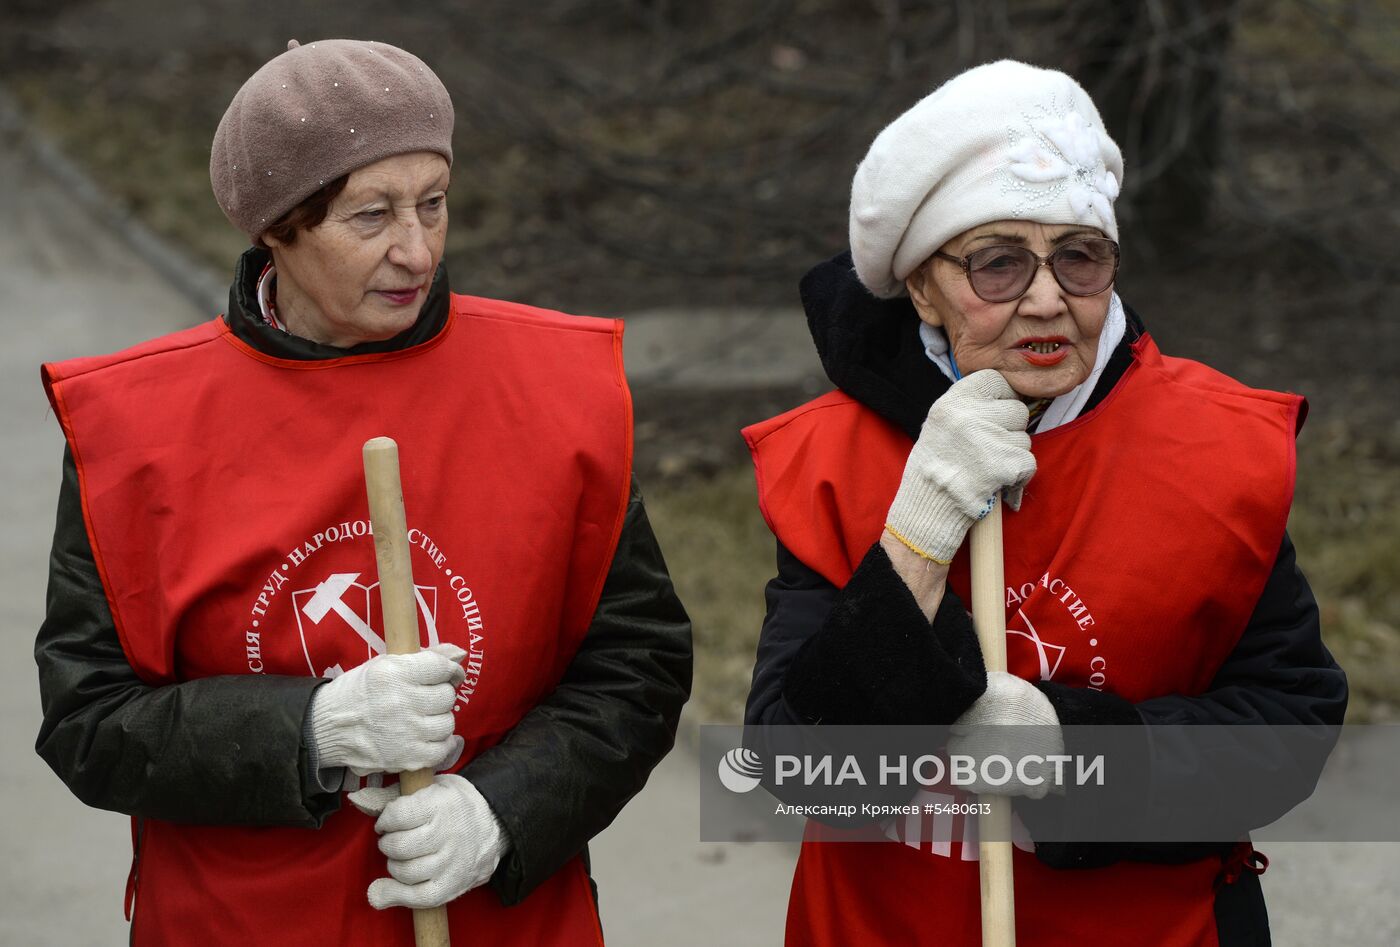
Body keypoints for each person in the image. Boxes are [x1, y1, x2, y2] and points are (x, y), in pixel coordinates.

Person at [35, 39, 691, 945]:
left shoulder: (560, 388)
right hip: (236, 923)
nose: (415, 249)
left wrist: (502, 812)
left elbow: (638, 666)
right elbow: (90, 724)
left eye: (433, 203)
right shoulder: (135, 426)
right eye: (371, 215)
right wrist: (312, 728)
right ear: (277, 226)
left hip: (503, 920)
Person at [742, 60, 1346, 946]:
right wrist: (920, 528)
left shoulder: (1218, 451)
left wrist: (1077, 751)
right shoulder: (829, 461)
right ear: (919, 284)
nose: (1045, 299)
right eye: (996, 264)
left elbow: (1287, 732)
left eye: (1079, 257)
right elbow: (798, 761)